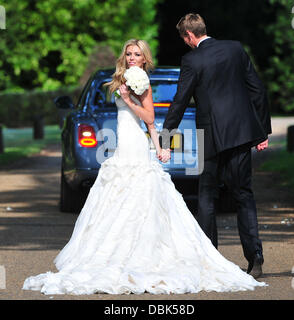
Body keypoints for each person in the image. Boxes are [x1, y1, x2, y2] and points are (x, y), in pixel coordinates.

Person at [23, 39, 267, 295]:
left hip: (135, 147)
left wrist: (131, 104)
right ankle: (118, 257)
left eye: (136, 54)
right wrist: (160, 145)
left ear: (144, 58)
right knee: (116, 203)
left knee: (143, 198)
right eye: (128, 53)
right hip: (122, 147)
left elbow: (150, 118)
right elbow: (150, 124)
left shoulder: (141, 80)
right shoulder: (119, 79)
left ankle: (148, 256)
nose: (131, 57)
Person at [161, 13, 272, 279]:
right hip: (241, 134)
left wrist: (165, 139)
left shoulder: (191, 60)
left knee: (207, 196)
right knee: (243, 194)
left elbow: (180, 101)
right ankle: (255, 258)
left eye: (184, 39)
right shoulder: (235, 49)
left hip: (209, 137)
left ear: (189, 35)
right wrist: (262, 132)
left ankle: (210, 260)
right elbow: (257, 89)